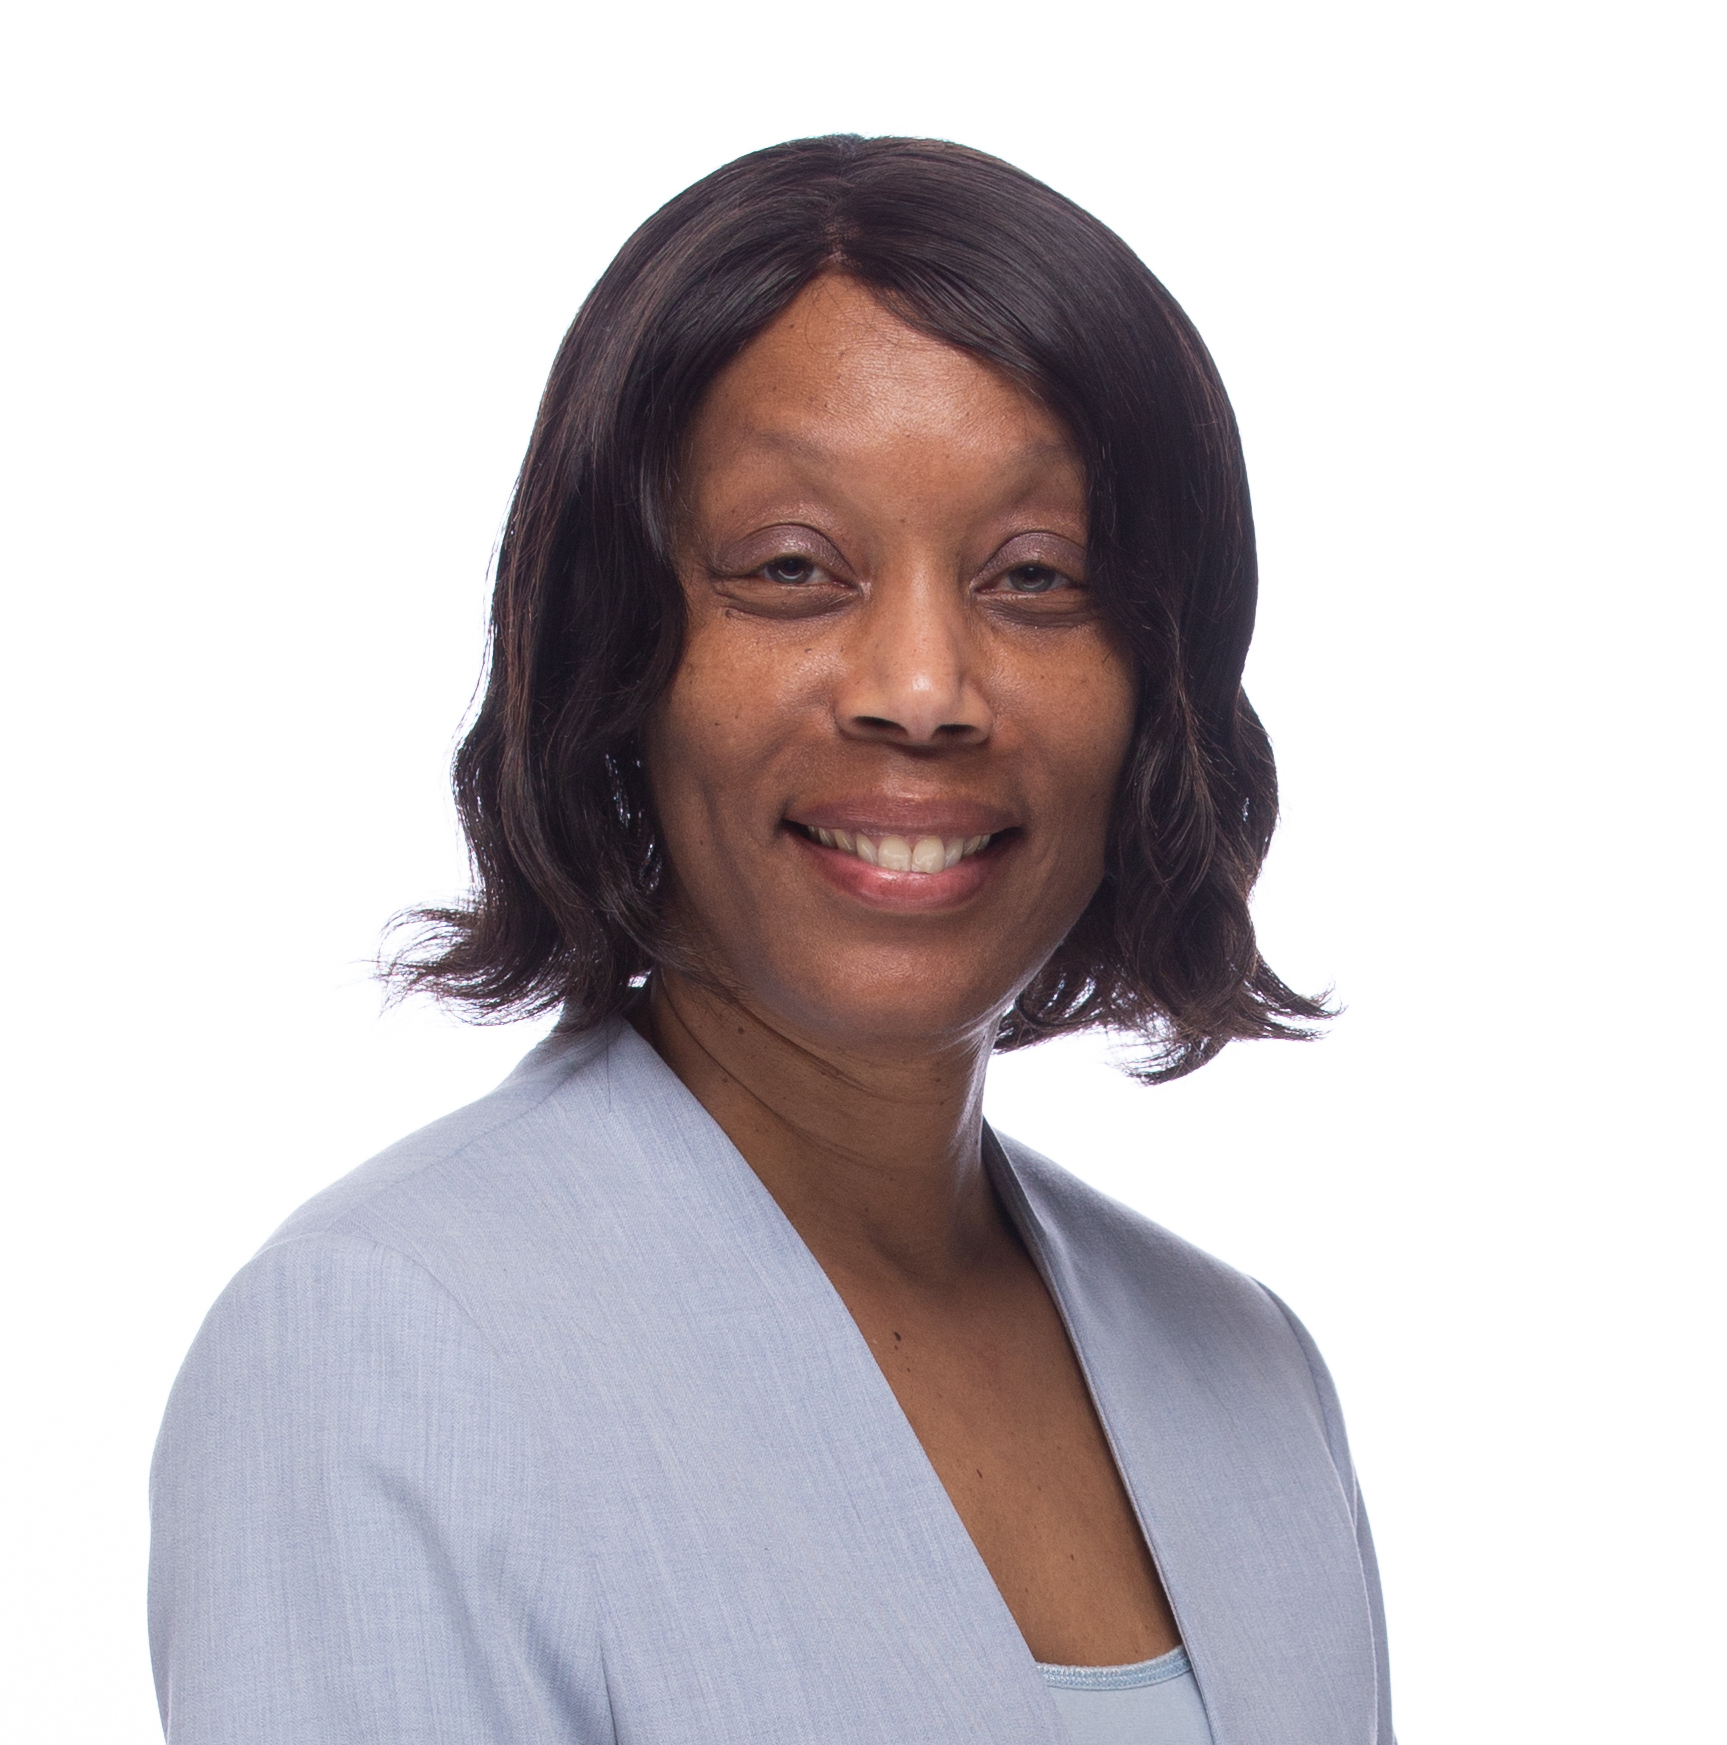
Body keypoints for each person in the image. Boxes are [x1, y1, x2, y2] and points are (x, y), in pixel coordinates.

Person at [149, 135, 1394, 1745]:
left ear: (1157, 682)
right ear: (619, 658)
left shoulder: (1255, 1375)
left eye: (1035, 577)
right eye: (794, 571)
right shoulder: (382, 1355)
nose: (924, 687)